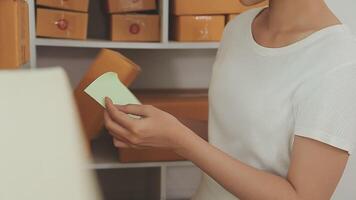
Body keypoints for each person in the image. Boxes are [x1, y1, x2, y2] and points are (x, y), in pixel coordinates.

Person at [103, 0, 356, 199]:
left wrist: (180, 140)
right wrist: (161, 128)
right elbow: (233, 140)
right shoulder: (238, 28)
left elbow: (302, 198)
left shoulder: (338, 60)